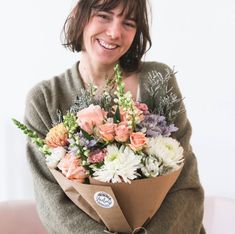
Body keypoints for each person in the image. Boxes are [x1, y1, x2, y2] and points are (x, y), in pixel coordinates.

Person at [24, 0, 205, 233]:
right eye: (104, 16)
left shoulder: (158, 81)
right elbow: (52, 202)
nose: (115, 32)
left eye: (128, 23)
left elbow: (185, 185)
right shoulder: (45, 99)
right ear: (79, 14)